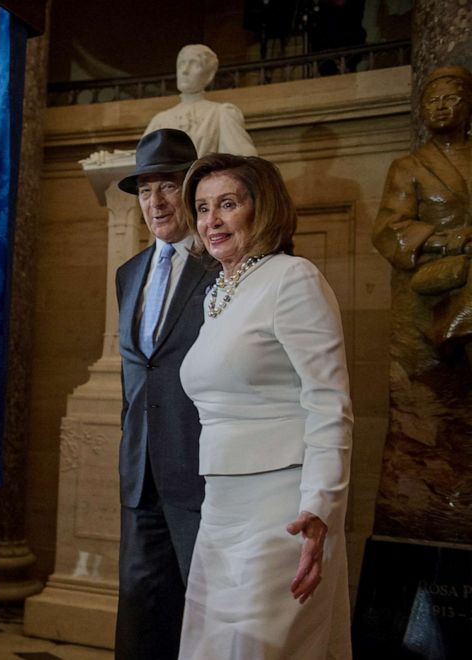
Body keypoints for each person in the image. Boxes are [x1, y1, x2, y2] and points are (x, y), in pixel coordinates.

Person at [178, 153, 352, 659]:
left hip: (282, 508)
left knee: (258, 648)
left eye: (227, 204)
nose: (211, 220)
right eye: (204, 207)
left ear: (264, 208)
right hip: (220, 506)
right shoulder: (218, 294)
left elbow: (329, 402)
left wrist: (320, 507)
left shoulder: (292, 278)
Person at [113, 128, 218, 660]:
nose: (155, 202)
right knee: (139, 614)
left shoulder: (222, 267)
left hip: (202, 475)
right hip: (141, 477)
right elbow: (138, 378)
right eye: (145, 189)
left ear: (192, 190)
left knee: (202, 618)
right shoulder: (127, 274)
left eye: (168, 187)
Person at [373, 65, 472, 366]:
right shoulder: (410, 166)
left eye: (450, 99)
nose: (440, 107)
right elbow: (389, 229)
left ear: (468, 105)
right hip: (438, 272)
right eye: (431, 101)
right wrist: (447, 241)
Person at [144, 44, 257, 158]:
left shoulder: (221, 113)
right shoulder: (159, 120)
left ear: (209, 75)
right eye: (181, 63)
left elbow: (243, 159)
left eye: (194, 64)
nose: (184, 70)